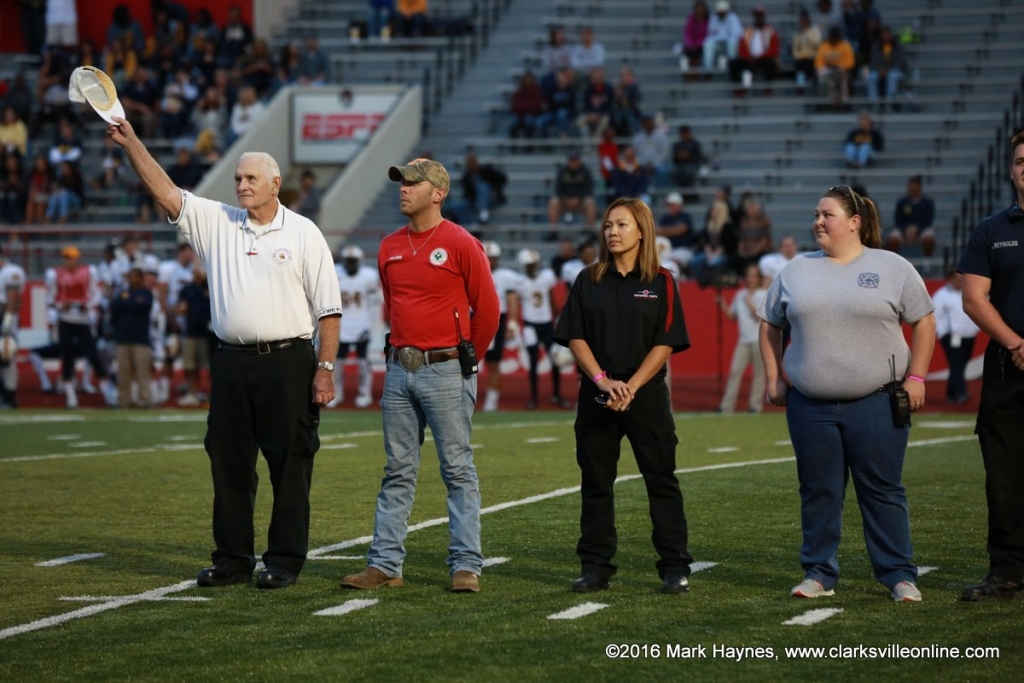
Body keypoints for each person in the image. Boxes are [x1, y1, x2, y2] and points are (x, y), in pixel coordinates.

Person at [107, 116, 342, 590]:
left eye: (251, 178)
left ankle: (284, 560)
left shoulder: (304, 232)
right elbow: (166, 192)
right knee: (228, 462)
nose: (241, 185)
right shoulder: (218, 222)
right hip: (232, 361)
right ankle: (233, 560)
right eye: (237, 178)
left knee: (290, 463)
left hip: (288, 361)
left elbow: (329, 310)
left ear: (275, 183)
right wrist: (131, 143)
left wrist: (325, 369)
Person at [759, 184, 936, 602]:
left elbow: (924, 321)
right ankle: (819, 573)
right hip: (809, 406)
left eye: (827, 215)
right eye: (816, 215)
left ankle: (899, 575)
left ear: (854, 222)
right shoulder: (795, 270)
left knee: (882, 490)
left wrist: (917, 378)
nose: (818, 221)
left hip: (878, 401)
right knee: (818, 490)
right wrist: (774, 376)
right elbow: (770, 324)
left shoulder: (892, 266)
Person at [341, 158, 499, 593]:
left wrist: (466, 362)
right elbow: (393, 304)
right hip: (398, 368)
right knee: (397, 470)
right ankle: (385, 564)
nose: (403, 188)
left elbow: (488, 311)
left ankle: (465, 565)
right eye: (401, 182)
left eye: (413, 182)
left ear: (438, 193)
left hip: (446, 369)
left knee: (457, 470)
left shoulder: (462, 242)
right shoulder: (388, 245)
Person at [554, 197, 693, 594]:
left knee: (661, 480)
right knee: (596, 482)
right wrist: (602, 381)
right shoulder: (588, 279)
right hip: (597, 394)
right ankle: (595, 567)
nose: (612, 232)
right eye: (608, 225)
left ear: (642, 231)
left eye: (621, 225)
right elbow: (575, 335)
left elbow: (666, 341)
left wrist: (631, 385)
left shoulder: (662, 281)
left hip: (645, 396)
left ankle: (674, 567)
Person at [957, 130, 1024, 601]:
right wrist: (1016, 343)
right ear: (1011, 170)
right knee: (1004, 478)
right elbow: (973, 299)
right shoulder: (991, 230)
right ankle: (1008, 572)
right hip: (1007, 365)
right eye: (1020, 161)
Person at [46, 245, 118, 409]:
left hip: (83, 319)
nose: (68, 261)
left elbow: (95, 293)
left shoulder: (88, 271)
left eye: (71, 258)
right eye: (66, 258)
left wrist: (89, 306)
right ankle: (70, 395)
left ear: (77, 259)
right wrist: (59, 307)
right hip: (65, 318)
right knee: (67, 357)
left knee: (93, 355)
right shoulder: (55, 274)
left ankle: (107, 393)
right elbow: (51, 297)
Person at [328, 245, 381, 409]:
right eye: (348, 261)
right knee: (338, 362)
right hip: (341, 324)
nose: (350, 264)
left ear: (360, 261)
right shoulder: (335, 272)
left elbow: (374, 305)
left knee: (363, 361)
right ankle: (337, 393)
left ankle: (365, 394)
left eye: (353, 261)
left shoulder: (369, 276)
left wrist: (369, 327)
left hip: (361, 324)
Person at [515, 248, 568, 410]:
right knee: (532, 362)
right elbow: (516, 302)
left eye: (534, 264)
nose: (533, 267)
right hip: (530, 325)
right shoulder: (520, 282)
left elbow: (551, 298)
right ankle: (533, 398)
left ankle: (557, 395)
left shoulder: (547, 276)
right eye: (530, 265)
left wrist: (556, 316)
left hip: (546, 324)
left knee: (555, 360)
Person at [717, 263, 766, 414]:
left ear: (758, 278)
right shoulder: (740, 294)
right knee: (735, 371)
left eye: (754, 276)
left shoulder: (763, 294)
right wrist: (722, 305)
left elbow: (761, 317)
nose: (751, 279)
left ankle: (755, 406)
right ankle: (727, 406)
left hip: (758, 339)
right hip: (743, 340)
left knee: (759, 374)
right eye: (749, 275)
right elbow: (733, 316)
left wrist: (750, 302)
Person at [482, 241, 521, 412]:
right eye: (487, 257)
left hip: (495, 321)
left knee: (494, 363)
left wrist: (512, 323)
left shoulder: (505, 276)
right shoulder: (473, 271)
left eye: (493, 257)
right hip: (474, 319)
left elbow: (512, 300)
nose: (490, 260)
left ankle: (491, 402)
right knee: (466, 362)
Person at [109, 266, 154, 408]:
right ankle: (124, 400)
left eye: (134, 276)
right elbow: (114, 306)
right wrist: (130, 303)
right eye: (129, 276)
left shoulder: (146, 293)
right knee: (123, 373)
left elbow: (143, 307)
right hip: (123, 338)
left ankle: (145, 400)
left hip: (141, 340)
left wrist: (126, 303)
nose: (131, 279)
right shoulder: (123, 292)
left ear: (140, 278)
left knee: (142, 372)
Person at [932, 271, 978, 405]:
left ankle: (951, 393)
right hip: (952, 336)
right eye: (959, 279)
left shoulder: (968, 292)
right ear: (951, 279)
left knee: (961, 364)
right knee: (957, 363)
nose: (962, 281)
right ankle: (962, 393)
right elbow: (935, 315)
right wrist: (941, 333)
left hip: (969, 334)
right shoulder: (942, 295)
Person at [728, 5, 780, 94]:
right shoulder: (747, 31)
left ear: (763, 16)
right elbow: (741, 48)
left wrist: (761, 56)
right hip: (749, 59)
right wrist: (748, 57)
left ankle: (768, 88)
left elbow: (774, 50)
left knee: (772, 64)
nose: (758, 18)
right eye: (757, 15)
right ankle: (738, 89)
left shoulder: (771, 31)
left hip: (764, 59)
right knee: (733, 63)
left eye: (760, 15)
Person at [0, 247, 26, 408]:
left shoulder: (10, 271)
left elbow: (13, 298)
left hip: (5, 318)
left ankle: (9, 397)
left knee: (6, 357)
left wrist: (7, 321)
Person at [887, 175, 935, 258]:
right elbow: (898, 220)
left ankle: (927, 262)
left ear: (920, 189)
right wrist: (905, 230)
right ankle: (894, 261)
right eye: (911, 189)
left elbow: (928, 221)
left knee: (929, 238)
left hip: (921, 230)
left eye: (915, 189)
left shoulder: (927, 203)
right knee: (892, 239)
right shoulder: (902, 202)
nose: (913, 192)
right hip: (904, 230)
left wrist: (917, 230)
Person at [547, 151, 597, 230]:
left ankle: (590, 231)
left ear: (579, 161)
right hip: (564, 202)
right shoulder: (562, 172)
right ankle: (553, 231)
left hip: (580, 202)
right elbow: (558, 190)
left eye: (575, 160)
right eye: (571, 160)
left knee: (590, 202)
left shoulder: (585, 172)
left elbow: (588, 190)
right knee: (553, 202)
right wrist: (565, 199)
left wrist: (578, 198)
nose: (573, 163)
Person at [866, 26, 909, 111]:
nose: (886, 36)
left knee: (892, 76)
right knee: (871, 77)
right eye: (884, 35)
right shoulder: (876, 47)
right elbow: (872, 62)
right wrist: (879, 70)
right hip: (879, 71)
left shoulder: (898, 47)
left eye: (887, 34)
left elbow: (901, 62)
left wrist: (888, 70)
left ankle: (889, 103)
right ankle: (874, 104)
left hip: (895, 71)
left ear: (891, 35)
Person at [703, 1, 743, 70]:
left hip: (729, 44)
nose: (721, 14)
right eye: (719, 12)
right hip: (718, 44)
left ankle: (732, 64)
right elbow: (710, 33)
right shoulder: (714, 18)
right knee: (708, 43)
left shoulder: (733, 18)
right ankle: (707, 68)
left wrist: (724, 36)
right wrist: (720, 37)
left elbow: (737, 33)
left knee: (732, 42)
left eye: (722, 12)